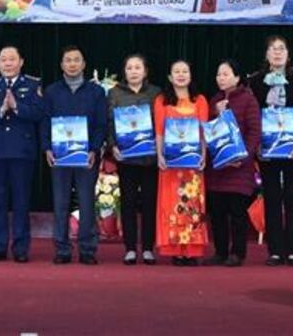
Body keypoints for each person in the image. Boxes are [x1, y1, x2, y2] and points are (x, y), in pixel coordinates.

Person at [0, 45, 45, 263]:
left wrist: (16, 107)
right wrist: (0, 110)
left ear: (21, 62)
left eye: (12, 59)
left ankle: (21, 248)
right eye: (3, 59)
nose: (7, 63)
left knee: (21, 202)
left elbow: (39, 113)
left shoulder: (32, 84)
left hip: (22, 152)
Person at [41, 46, 108, 265]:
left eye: (76, 60)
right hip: (59, 156)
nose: (72, 64)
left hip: (86, 156)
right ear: (61, 65)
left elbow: (101, 124)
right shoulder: (52, 91)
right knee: (60, 203)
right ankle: (62, 249)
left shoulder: (96, 92)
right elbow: (44, 122)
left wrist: (94, 149)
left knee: (86, 203)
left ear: (83, 64)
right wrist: (47, 148)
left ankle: (88, 249)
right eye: (68, 60)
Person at [247, 35, 293, 267]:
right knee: (271, 197)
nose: (277, 53)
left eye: (281, 48)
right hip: (267, 147)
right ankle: (274, 250)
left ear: (288, 54)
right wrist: (256, 144)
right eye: (273, 49)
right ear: (266, 54)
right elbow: (252, 114)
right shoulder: (255, 80)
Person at [204, 59, 261, 267]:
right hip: (218, 167)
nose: (221, 78)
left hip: (239, 168)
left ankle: (237, 253)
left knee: (237, 212)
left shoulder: (248, 100)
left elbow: (254, 132)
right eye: (219, 74)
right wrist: (215, 112)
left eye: (226, 74)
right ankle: (220, 252)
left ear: (237, 78)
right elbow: (207, 130)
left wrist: (243, 157)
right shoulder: (215, 100)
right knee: (217, 212)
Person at [107, 53, 162, 265]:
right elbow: (109, 122)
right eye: (129, 68)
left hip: (150, 159)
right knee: (128, 204)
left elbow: (162, 123)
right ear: (124, 71)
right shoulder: (114, 93)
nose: (133, 72)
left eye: (137, 67)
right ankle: (130, 248)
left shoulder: (156, 93)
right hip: (126, 158)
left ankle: (147, 248)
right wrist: (112, 146)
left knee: (149, 204)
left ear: (145, 71)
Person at [153, 59, 209, 266]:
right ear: (170, 77)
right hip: (170, 165)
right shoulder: (162, 100)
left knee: (193, 205)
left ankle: (192, 249)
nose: (181, 75)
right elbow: (159, 131)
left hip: (192, 166)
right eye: (176, 71)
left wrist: (203, 155)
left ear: (190, 76)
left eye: (185, 71)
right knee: (172, 205)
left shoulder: (200, 100)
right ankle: (175, 249)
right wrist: (160, 156)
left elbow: (203, 131)